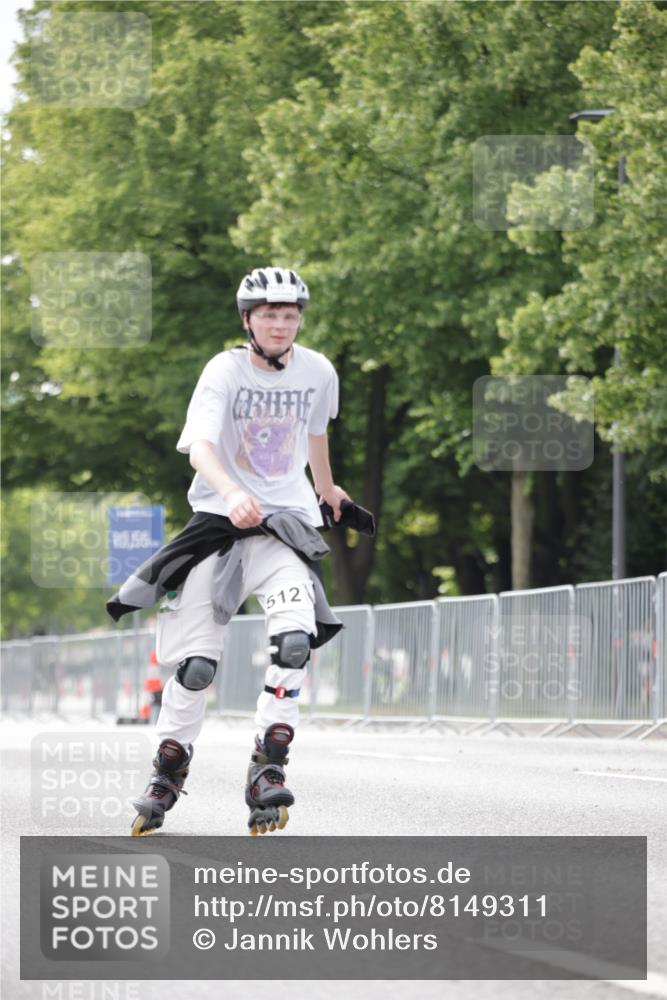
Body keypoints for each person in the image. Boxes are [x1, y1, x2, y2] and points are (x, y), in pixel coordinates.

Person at [121, 266, 362, 836]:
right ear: (248, 321)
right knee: (198, 666)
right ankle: (168, 766)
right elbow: (199, 446)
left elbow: (316, 433)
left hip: (285, 525)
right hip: (221, 523)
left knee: (295, 643)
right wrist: (231, 492)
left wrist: (326, 489)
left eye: (290, 314)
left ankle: (268, 762)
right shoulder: (224, 371)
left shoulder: (318, 370)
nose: (281, 324)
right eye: (270, 315)